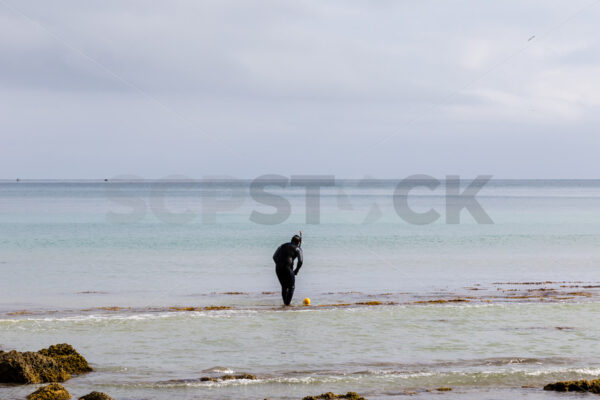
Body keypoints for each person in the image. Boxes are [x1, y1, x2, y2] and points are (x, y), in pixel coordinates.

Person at [273, 235, 303, 306]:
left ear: (291, 240)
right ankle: (287, 305)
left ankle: (285, 304)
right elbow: (300, 261)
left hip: (278, 268)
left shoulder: (282, 246)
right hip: (288, 268)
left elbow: (274, 257)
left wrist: (280, 265)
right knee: (291, 287)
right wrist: (296, 270)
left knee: (284, 287)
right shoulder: (298, 248)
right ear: (299, 242)